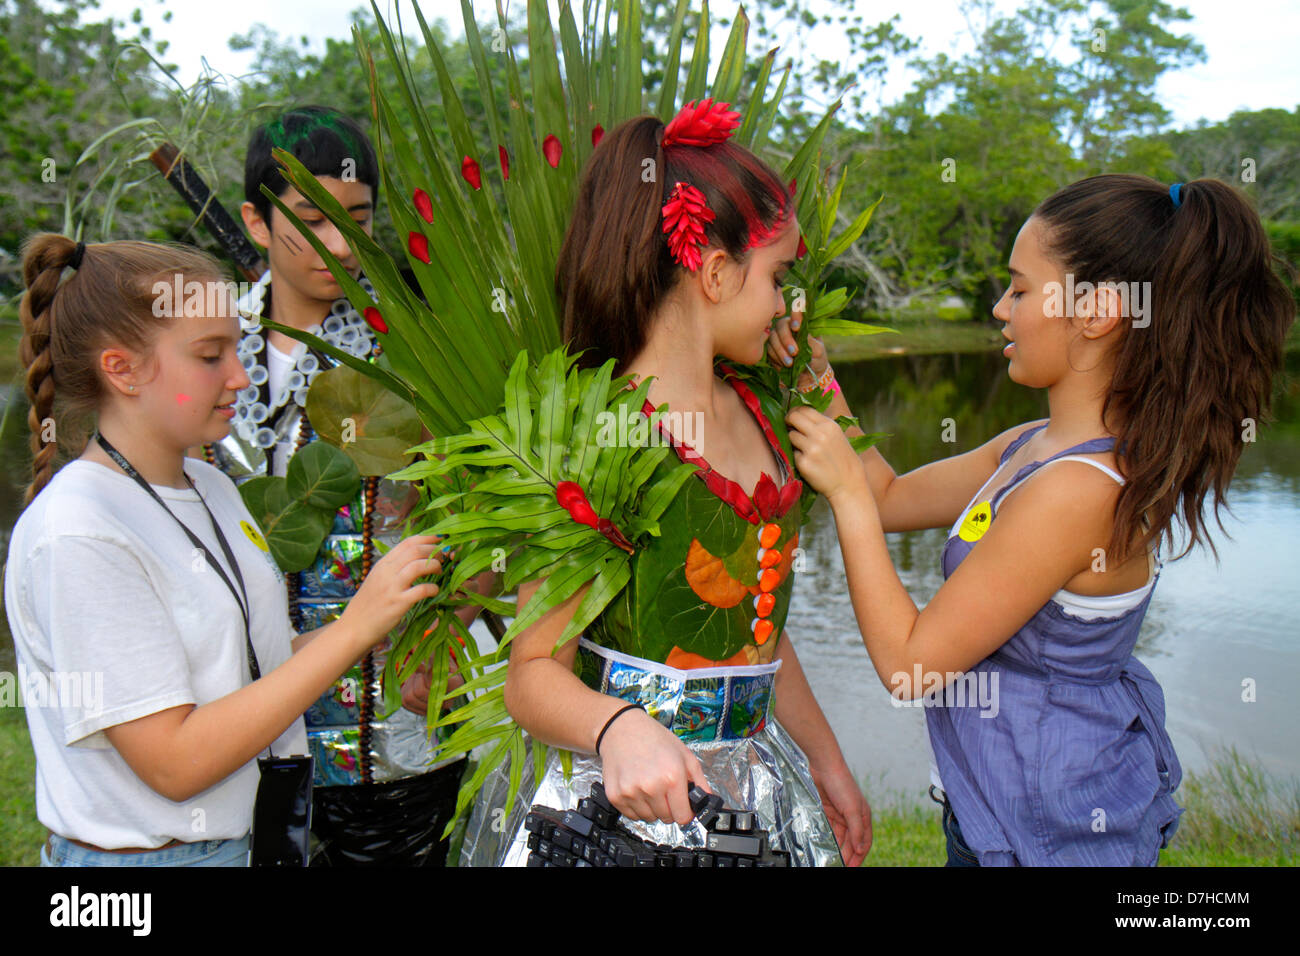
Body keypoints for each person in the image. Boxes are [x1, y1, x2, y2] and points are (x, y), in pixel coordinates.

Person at [779, 174, 1296, 865]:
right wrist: (820, 380)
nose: (999, 308)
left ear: (1098, 312)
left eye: (1020, 290)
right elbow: (891, 496)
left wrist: (842, 496)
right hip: (1002, 816)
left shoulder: (1078, 492)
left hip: (1055, 838)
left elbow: (909, 666)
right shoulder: (1032, 446)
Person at [460, 102, 872, 867]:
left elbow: (757, 626)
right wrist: (617, 727)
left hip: (751, 784)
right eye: (778, 277)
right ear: (715, 272)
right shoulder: (600, 441)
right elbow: (533, 675)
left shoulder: (765, 414)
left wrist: (828, 759)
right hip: (614, 813)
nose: (787, 304)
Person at [5, 234, 442, 866]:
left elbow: (248, 669)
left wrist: (374, 622)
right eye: (211, 355)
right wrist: (354, 632)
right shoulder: (81, 531)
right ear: (121, 369)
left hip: (242, 841)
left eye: (237, 346)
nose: (240, 374)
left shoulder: (207, 484)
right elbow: (176, 763)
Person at [215, 104, 479, 865]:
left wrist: (451, 626)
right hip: (237, 733)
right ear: (256, 224)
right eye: (313, 219)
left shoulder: (420, 359)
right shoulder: (201, 359)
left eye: (356, 218)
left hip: (392, 743)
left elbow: (490, 515)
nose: (340, 243)